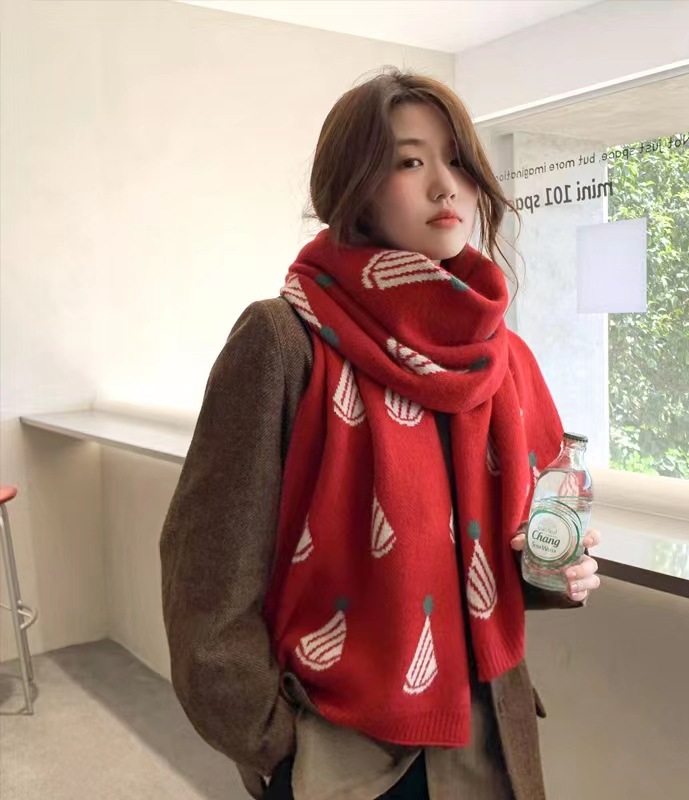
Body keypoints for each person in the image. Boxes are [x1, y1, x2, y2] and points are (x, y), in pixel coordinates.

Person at [160, 66, 601, 800]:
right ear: (355, 186)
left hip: (489, 732)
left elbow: (508, 541)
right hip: (342, 746)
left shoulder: (500, 356)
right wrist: (275, 743)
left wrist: (559, 569)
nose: (446, 187)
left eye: (457, 160)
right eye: (409, 162)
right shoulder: (283, 340)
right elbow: (205, 577)